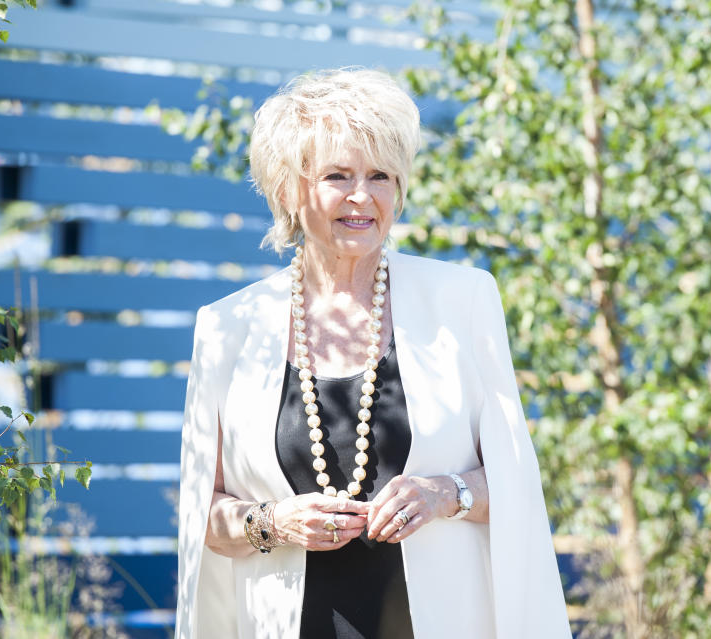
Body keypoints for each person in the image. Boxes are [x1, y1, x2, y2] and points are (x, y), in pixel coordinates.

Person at [175, 68, 571, 639]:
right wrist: (273, 522)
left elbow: (515, 482)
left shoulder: (463, 300)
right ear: (289, 189)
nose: (362, 197)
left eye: (380, 176)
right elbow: (203, 520)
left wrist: (445, 494)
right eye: (338, 176)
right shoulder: (228, 327)